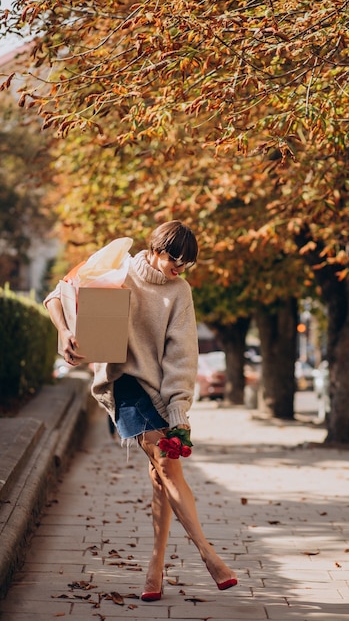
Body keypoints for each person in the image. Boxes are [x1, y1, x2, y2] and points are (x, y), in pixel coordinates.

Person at [44, 220, 238, 601]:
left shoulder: (179, 292)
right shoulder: (119, 268)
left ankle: (155, 566)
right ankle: (208, 555)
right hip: (124, 382)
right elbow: (56, 296)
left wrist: (179, 409)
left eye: (187, 263)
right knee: (168, 465)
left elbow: (182, 355)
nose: (179, 267)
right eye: (174, 259)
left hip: (161, 391)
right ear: (155, 248)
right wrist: (65, 333)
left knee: (160, 475)